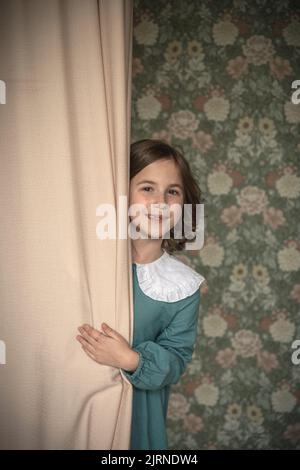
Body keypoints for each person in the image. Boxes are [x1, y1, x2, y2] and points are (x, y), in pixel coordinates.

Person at [76, 139, 206, 450]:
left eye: (172, 192)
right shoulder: (87, 260)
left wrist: (130, 359)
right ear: (122, 194)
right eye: (147, 188)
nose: (161, 202)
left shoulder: (183, 286)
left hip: (134, 415)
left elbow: (176, 357)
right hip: (75, 402)